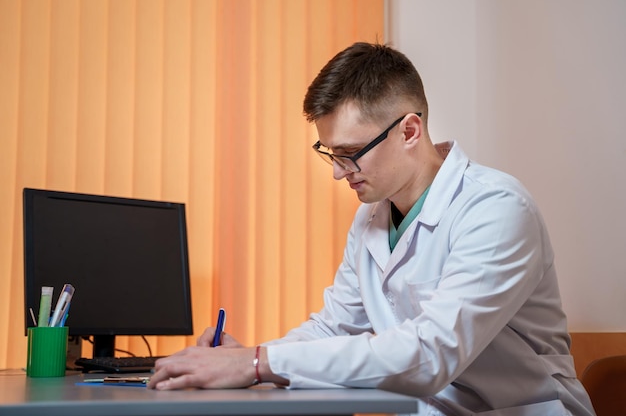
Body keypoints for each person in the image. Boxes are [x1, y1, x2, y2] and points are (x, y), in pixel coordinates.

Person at [147, 42, 596, 416]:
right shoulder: (373, 215)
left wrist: (259, 364)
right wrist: (242, 359)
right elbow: (334, 328)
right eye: (332, 154)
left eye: (352, 152)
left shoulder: (495, 208)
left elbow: (431, 354)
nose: (340, 173)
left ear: (409, 131)